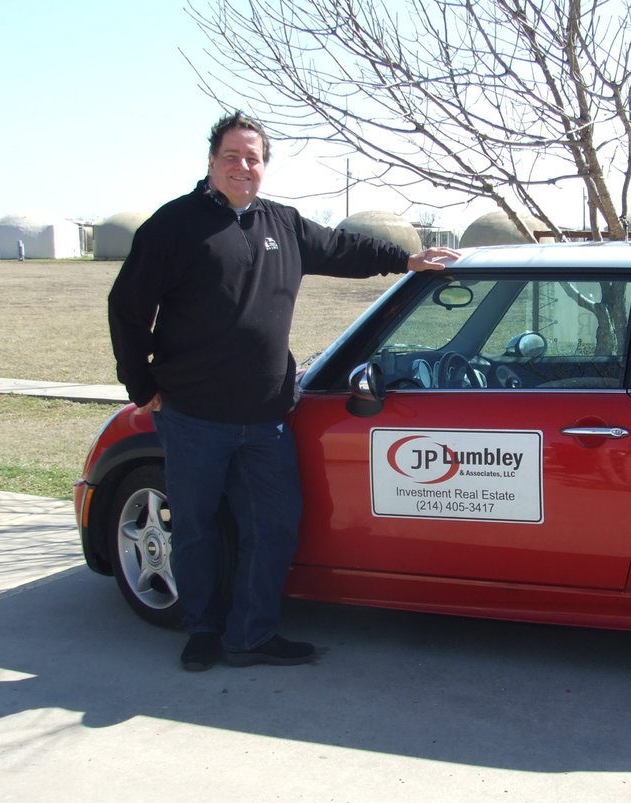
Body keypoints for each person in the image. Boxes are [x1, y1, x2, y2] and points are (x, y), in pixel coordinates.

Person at [108, 111, 459, 672]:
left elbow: (343, 249)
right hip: (194, 416)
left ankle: (250, 634)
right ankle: (202, 629)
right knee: (195, 530)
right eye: (232, 156)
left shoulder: (284, 224)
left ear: (264, 165)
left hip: (266, 416)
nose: (242, 166)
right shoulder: (173, 226)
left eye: (253, 157)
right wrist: (140, 383)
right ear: (211, 162)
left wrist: (406, 260)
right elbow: (126, 309)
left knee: (272, 528)